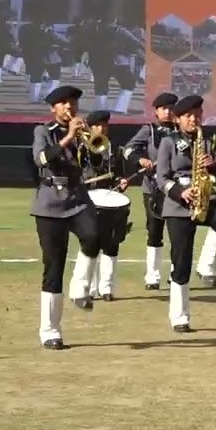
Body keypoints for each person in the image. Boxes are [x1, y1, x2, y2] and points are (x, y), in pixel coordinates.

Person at [31, 85, 101, 349]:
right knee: (54, 267)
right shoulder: (42, 131)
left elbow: (95, 164)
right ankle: (50, 330)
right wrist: (68, 137)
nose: (69, 107)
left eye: (72, 103)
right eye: (63, 103)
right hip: (49, 203)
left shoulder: (82, 132)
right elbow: (41, 159)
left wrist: (92, 143)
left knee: (94, 236)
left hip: (78, 198)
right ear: (54, 108)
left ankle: (80, 287)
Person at [156, 95, 216, 333]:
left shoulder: (208, 141)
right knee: (181, 260)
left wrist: (212, 166)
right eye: (189, 116)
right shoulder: (168, 142)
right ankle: (179, 315)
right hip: (179, 204)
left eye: (197, 115)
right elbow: (162, 179)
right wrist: (180, 193)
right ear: (178, 119)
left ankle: (207, 265)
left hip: (205, 198)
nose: (194, 120)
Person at [122, 91, 178, 290]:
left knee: (177, 233)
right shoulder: (149, 130)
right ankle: (153, 276)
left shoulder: (182, 131)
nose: (168, 112)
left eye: (172, 108)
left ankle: (176, 274)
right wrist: (140, 159)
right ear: (156, 111)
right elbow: (128, 149)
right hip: (152, 187)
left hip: (176, 189)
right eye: (164, 109)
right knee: (154, 231)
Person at [79, 110, 131, 302]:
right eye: (97, 125)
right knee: (91, 243)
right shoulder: (81, 148)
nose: (102, 129)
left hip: (111, 198)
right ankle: (89, 288)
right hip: (89, 198)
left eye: (104, 125)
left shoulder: (114, 148)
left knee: (112, 243)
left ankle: (107, 287)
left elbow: (118, 173)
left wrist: (121, 182)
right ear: (90, 128)